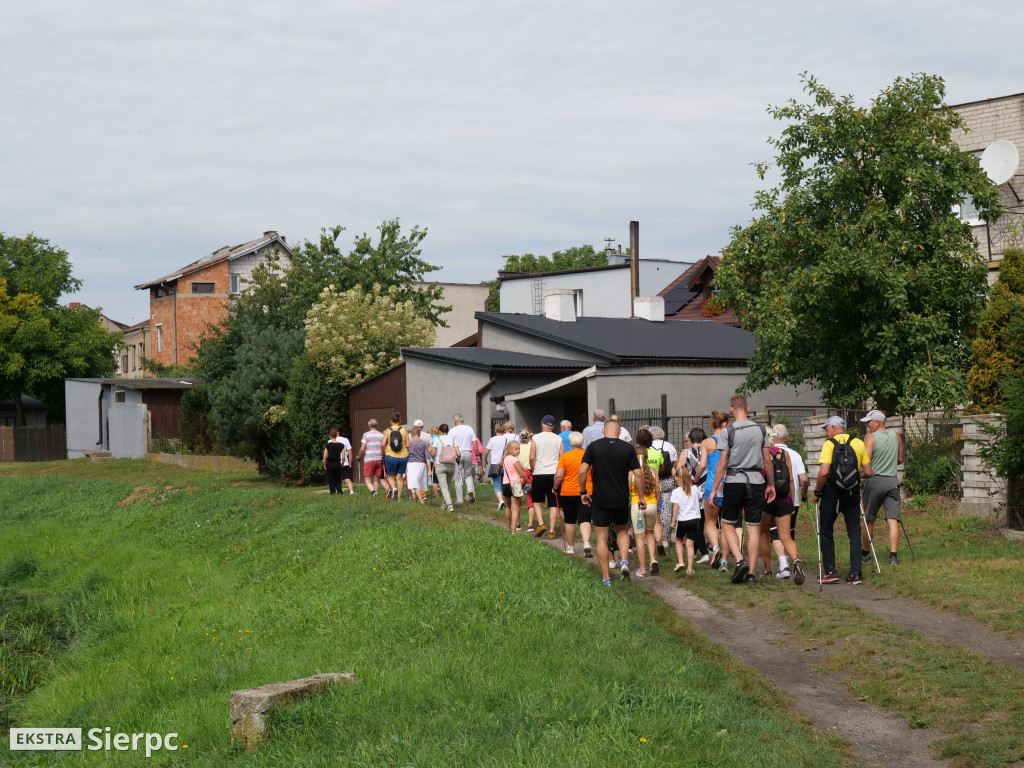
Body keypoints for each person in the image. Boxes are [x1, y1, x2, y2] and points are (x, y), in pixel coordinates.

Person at [709, 394, 775, 586]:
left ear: (731, 409)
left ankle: (739, 560)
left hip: (734, 481)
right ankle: (752, 574)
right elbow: (767, 461)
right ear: (747, 408)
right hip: (756, 481)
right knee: (753, 527)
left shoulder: (727, 432)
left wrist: (713, 489)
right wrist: (770, 485)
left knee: (727, 523)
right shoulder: (760, 429)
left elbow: (722, 464)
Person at [580, 419, 643, 585]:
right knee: (622, 530)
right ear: (620, 431)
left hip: (600, 499)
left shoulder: (593, 447)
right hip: (621, 498)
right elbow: (639, 475)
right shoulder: (628, 448)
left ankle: (606, 578)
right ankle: (623, 561)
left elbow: (582, 472)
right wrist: (641, 497)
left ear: (603, 431)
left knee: (601, 538)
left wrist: (583, 492)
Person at [812, 415, 868, 585]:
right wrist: (852, 478)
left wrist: (817, 491)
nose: (826, 431)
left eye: (827, 428)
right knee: (854, 532)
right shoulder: (858, 443)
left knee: (826, 529)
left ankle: (830, 571)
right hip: (852, 493)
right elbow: (868, 471)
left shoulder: (829, 444)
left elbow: (823, 473)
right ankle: (855, 573)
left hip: (832, 492)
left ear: (835, 428)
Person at [859, 410, 905, 566]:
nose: (867, 425)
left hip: (874, 481)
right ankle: (893, 555)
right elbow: (900, 459)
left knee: (868, 519)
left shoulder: (870, 438)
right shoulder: (896, 435)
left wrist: (857, 474)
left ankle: (865, 553)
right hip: (892, 481)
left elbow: (866, 462)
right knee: (892, 520)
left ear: (877, 422)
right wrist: (889, 465)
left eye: (869, 422)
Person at [758, 435, 805, 585]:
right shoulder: (784, 454)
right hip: (784, 498)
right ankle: (796, 560)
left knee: (764, 533)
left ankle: (767, 570)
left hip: (766, 498)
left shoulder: (759, 453)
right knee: (786, 536)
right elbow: (791, 479)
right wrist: (792, 501)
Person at [767, 423, 809, 578]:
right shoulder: (794, 454)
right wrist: (802, 496)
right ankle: (795, 559)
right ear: (787, 437)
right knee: (788, 534)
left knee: (775, 533)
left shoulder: (767, 453)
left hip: (771, 498)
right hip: (790, 500)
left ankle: (784, 567)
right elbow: (803, 479)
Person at [694, 411, 730, 571]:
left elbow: (702, 466)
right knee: (726, 525)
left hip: (711, 486)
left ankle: (715, 548)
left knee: (710, 521)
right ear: (723, 424)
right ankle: (724, 561)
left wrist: (695, 480)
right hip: (728, 484)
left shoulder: (707, 442)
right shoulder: (730, 441)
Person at [554, 431, 589, 554]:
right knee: (585, 518)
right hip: (586, 490)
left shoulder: (565, 456)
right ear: (582, 442)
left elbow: (559, 476)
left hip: (568, 492)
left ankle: (571, 547)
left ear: (570, 442)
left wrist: (555, 488)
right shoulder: (587, 455)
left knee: (570, 520)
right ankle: (586, 543)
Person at [530, 415, 565, 540]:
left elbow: (532, 457)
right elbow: (562, 457)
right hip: (554, 473)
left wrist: (533, 469)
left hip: (539, 472)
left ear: (541, 424)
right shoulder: (558, 438)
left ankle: (541, 523)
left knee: (536, 500)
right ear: (554, 426)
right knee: (553, 502)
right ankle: (551, 531)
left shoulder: (535, 438)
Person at [630, 446, 661, 577]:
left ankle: (642, 569)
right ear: (647, 458)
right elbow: (658, 491)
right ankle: (653, 559)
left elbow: (628, 491)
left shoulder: (631, 473)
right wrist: (658, 507)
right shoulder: (653, 471)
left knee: (639, 537)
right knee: (650, 533)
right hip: (652, 505)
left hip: (638, 506)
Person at [650, 426, 678, 556]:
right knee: (666, 508)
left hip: (651, 480)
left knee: (652, 508)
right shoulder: (669, 446)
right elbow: (675, 463)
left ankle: (653, 536)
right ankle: (665, 538)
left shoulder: (648, 447)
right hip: (667, 479)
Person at [671, 463, 702, 574]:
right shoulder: (695, 489)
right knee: (690, 545)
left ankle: (681, 562)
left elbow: (676, 507)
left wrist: (673, 521)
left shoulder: (676, 492)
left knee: (678, 540)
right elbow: (700, 499)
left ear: (678, 478)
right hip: (694, 520)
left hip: (682, 520)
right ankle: (690, 569)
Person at [448, 413, 478, 504]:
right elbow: (475, 443)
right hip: (468, 453)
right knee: (468, 474)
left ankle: (460, 499)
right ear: (463, 420)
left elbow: (450, 444)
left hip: (458, 454)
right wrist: (477, 454)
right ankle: (470, 491)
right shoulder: (469, 429)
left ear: (454, 421)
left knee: (458, 477)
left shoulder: (452, 431)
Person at [430, 423, 460, 512]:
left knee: (443, 487)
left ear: (439, 431)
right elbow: (458, 453)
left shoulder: (437, 439)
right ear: (448, 431)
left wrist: (434, 457)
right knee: (447, 486)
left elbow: (432, 452)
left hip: (441, 465)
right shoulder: (453, 440)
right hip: (451, 465)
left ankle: (450, 505)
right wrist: (457, 460)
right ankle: (443, 506)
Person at [485, 422, 515, 510]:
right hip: (505, 464)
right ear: (504, 430)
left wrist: (485, 460)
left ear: (495, 430)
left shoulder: (492, 440)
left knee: (497, 485)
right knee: (504, 484)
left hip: (495, 465)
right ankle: (506, 501)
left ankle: (501, 501)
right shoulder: (507, 440)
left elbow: (486, 452)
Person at [500, 440, 528, 531]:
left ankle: (508, 528)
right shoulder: (514, 459)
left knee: (508, 507)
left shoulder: (505, 459)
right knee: (515, 508)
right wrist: (528, 482)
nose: (518, 451)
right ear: (510, 450)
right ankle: (514, 530)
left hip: (505, 484)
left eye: (519, 449)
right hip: (515, 483)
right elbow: (522, 474)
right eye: (516, 449)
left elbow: (499, 465)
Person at [382, 412, 409, 500]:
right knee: (399, 477)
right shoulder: (404, 430)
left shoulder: (387, 430)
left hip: (391, 456)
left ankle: (394, 488)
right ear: (400, 421)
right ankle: (399, 498)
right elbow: (408, 445)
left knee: (390, 476)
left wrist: (384, 452)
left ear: (390, 421)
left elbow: (383, 444)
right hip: (403, 457)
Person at [357, 419, 385, 496]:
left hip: (369, 459)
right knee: (376, 478)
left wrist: (359, 456)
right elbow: (383, 447)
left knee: (367, 479)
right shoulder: (381, 435)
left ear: (369, 425)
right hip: (379, 459)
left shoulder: (366, 435)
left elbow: (362, 449)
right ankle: (376, 494)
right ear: (377, 425)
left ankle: (373, 492)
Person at [405, 421, 431, 504]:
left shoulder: (410, 444)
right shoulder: (424, 444)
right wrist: (429, 469)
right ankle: (416, 499)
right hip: (422, 464)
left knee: (414, 483)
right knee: (418, 482)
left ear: (411, 435)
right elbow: (427, 457)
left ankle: (420, 500)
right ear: (419, 434)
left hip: (412, 464)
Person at [331, 427, 355, 495]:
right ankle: (351, 491)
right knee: (347, 478)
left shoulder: (330, 441)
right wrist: (350, 462)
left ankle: (337, 492)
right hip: (344, 463)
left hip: (334, 463)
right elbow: (350, 451)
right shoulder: (345, 440)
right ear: (339, 432)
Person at [323, 428, 345, 494]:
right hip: (338, 464)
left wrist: (324, 465)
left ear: (330, 436)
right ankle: (339, 492)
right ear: (336, 435)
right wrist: (342, 464)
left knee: (331, 480)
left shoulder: (328, 445)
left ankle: (332, 492)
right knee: (338, 479)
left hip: (330, 464)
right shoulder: (341, 445)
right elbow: (343, 457)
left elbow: (324, 456)